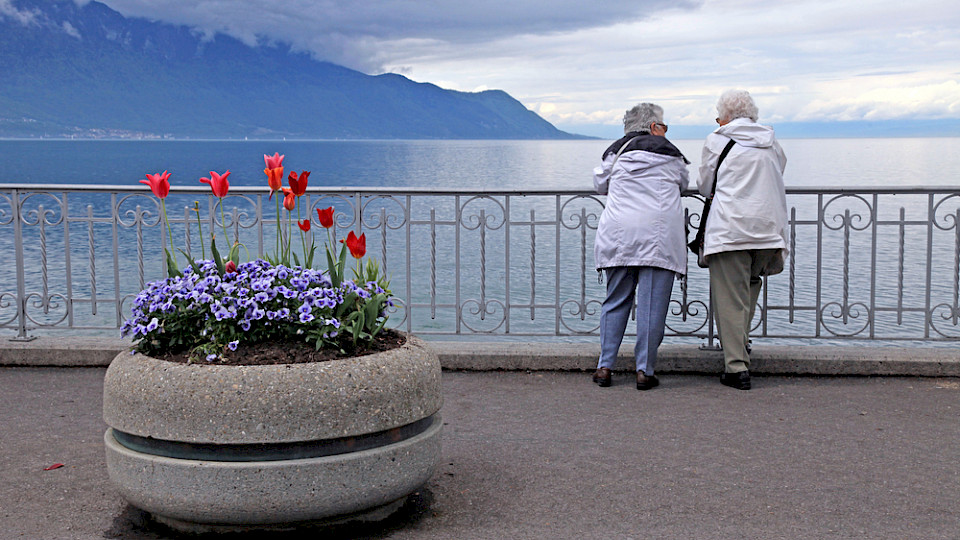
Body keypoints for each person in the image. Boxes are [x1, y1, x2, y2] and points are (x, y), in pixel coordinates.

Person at [592, 103, 689, 390]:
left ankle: (605, 366)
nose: (665, 130)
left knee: (616, 299)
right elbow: (684, 184)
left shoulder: (616, 153)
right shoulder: (673, 157)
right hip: (659, 237)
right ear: (653, 127)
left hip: (620, 233)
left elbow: (600, 183)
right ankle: (644, 371)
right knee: (651, 306)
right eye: (664, 126)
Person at [698, 89, 788, 390]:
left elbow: (705, 184)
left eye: (718, 116)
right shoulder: (770, 140)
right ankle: (742, 344)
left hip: (731, 228)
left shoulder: (718, 140)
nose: (717, 121)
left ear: (725, 116)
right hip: (767, 226)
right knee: (750, 288)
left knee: (729, 298)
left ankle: (736, 367)